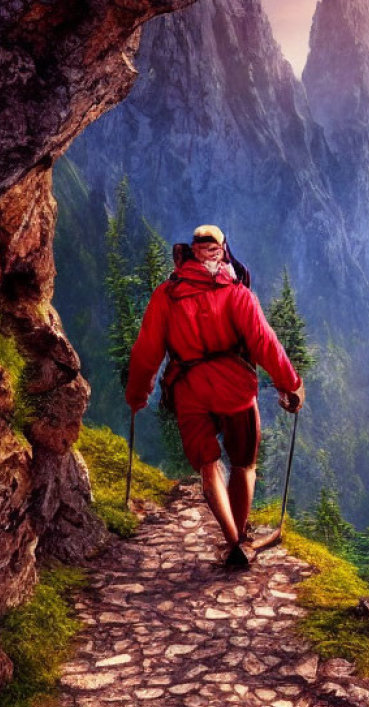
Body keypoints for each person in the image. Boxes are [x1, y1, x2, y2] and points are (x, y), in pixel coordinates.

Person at [125, 224, 305, 568]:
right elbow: (264, 343)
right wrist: (290, 383)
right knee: (244, 462)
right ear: (223, 251)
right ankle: (239, 537)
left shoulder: (167, 294)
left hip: (189, 390)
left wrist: (138, 393)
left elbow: (147, 350)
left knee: (209, 464)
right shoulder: (236, 293)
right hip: (235, 388)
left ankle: (233, 540)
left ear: (191, 250)